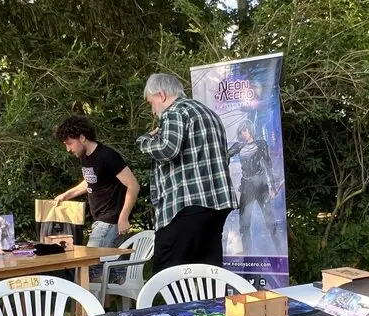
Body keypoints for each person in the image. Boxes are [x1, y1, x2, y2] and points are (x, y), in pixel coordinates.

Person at [136, 73, 236, 272]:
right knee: (209, 273)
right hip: (217, 204)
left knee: (167, 273)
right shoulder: (209, 114)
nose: (153, 111)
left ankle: (170, 305)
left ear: (161, 95)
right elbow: (224, 157)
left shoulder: (175, 112)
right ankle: (209, 304)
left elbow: (167, 149)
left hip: (185, 206)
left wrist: (145, 140)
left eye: (151, 103)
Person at [53, 115, 140, 246]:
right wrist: (67, 195)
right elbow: (91, 180)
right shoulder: (86, 157)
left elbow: (133, 185)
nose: (68, 149)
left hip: (110, 221)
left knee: (90, 263)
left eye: (69, 143)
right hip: (100, 221)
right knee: (110, 264)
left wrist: (123, 217)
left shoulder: (107, 156)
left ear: (82, 138)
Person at [227, 118, 285, 254]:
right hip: (247, 186)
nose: (243, 134)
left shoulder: (261, 144)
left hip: (261, 185)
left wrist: (273, 186)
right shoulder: (238, 146)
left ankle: (280, 252)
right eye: (241, 131)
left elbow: (268, 165)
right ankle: (248, 255)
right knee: (244, 224)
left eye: (245, 130)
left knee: (270, 221)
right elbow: (224, 155)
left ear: (250, 130)